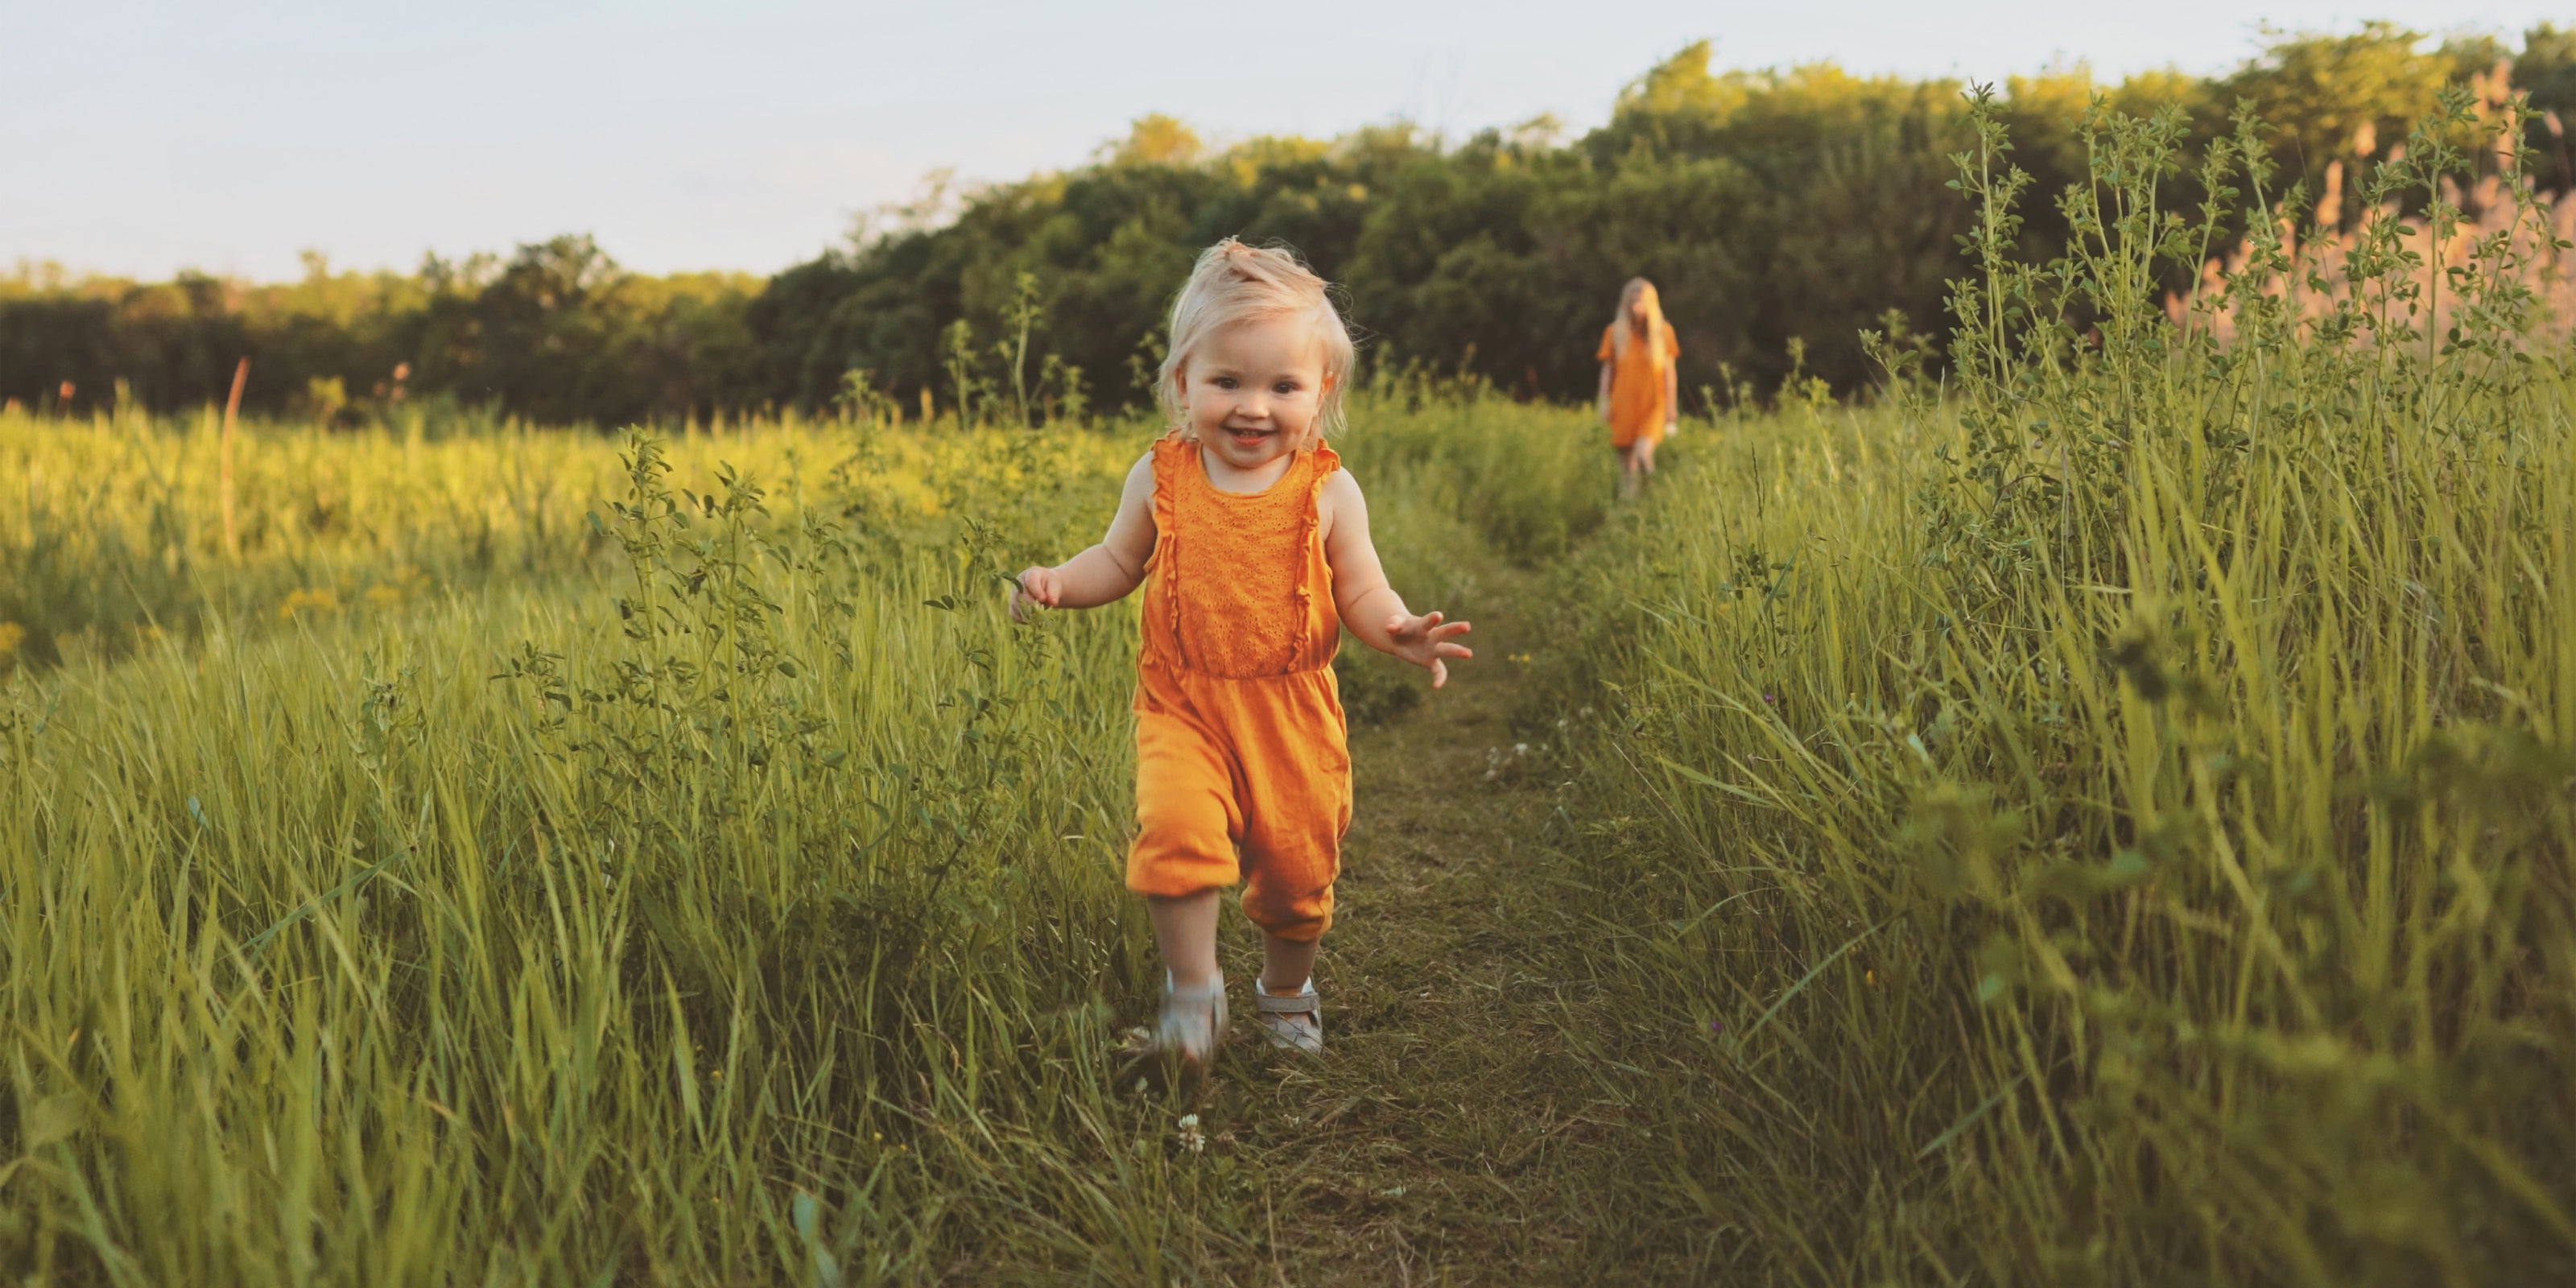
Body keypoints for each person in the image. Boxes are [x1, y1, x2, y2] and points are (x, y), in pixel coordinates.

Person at [1012, 240, 1472, 1069]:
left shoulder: (1327, 490)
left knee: (1296, 873)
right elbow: (1116, 562)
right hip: (1182, 702)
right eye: (1227, 381)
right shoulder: (1159, 477)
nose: (1252, 406)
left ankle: (1285, 991)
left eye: (1282, 386)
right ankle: (1193, 994)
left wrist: (1397, 627)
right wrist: (1056, 581)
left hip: (1289, 711)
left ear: (1320, 391)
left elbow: (1361, 589)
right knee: (1176, 832)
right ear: (1182, 381)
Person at [1595, 277, 1680, 499]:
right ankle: (1631, 506)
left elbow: (1669, 373)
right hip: (1623, 402)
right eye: (1631, 302)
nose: (1636, 307)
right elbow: (1607, 371)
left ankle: (1652, 495)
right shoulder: (1614, 333)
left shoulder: (1663, 333)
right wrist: (1604, 402)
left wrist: (1672, 407)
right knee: (1627, 462)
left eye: (1640, 302)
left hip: (1653, 403)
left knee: (1643, 454)